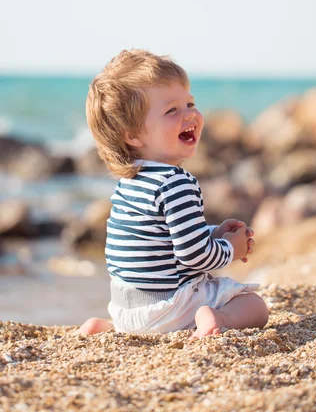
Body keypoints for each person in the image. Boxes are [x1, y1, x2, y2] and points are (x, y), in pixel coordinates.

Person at [78, 49, 269, 338]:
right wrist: (232, 250)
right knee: (255, 306)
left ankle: (107, 328)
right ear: (133, 135)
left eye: (190, 103)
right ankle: (213, 317)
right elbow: (193, 256)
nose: (190, 114)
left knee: (143, 316)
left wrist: (214, 233)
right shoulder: (175, 182)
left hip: (125, 309)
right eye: (172, 110)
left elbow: (163, 238)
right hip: (170, 308)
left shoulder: (130, 181)